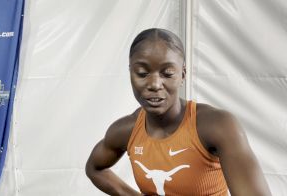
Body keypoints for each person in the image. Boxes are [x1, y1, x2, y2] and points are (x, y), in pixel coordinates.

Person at [85, 28, 271, 196]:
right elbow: (94, 168)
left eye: (167, 74)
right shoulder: (126, 129)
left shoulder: (217, 126)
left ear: (182, 75)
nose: (155, 85)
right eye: (142, 73)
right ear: (130, 73)